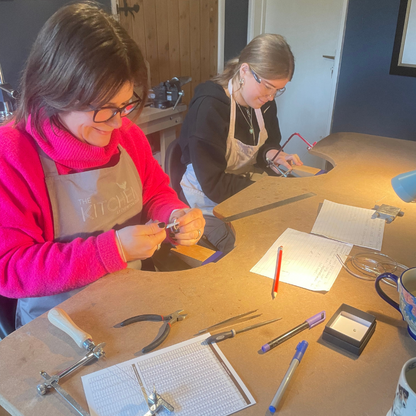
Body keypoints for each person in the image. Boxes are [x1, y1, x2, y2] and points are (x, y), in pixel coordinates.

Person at [0, 2, 205, 328]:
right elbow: (10, 269)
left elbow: (155, 194)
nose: (116, 122)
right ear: (57, 90)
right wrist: (112, 250)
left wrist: (174, 215)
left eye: (124, 105)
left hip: (131, 303)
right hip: (57, 325)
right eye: (104, 109)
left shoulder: (128, 136)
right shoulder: (11, 154)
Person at [179, 34, 302, 253]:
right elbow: (214, 184)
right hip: (205, 203)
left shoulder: (263, 102)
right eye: (268, 87)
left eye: (278, 90)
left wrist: (272, 154)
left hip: (238, 189)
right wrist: (267, 193)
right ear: (244, 71)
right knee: (253, 248)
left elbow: (267, 141)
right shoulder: (210, 107)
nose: (271, 97)